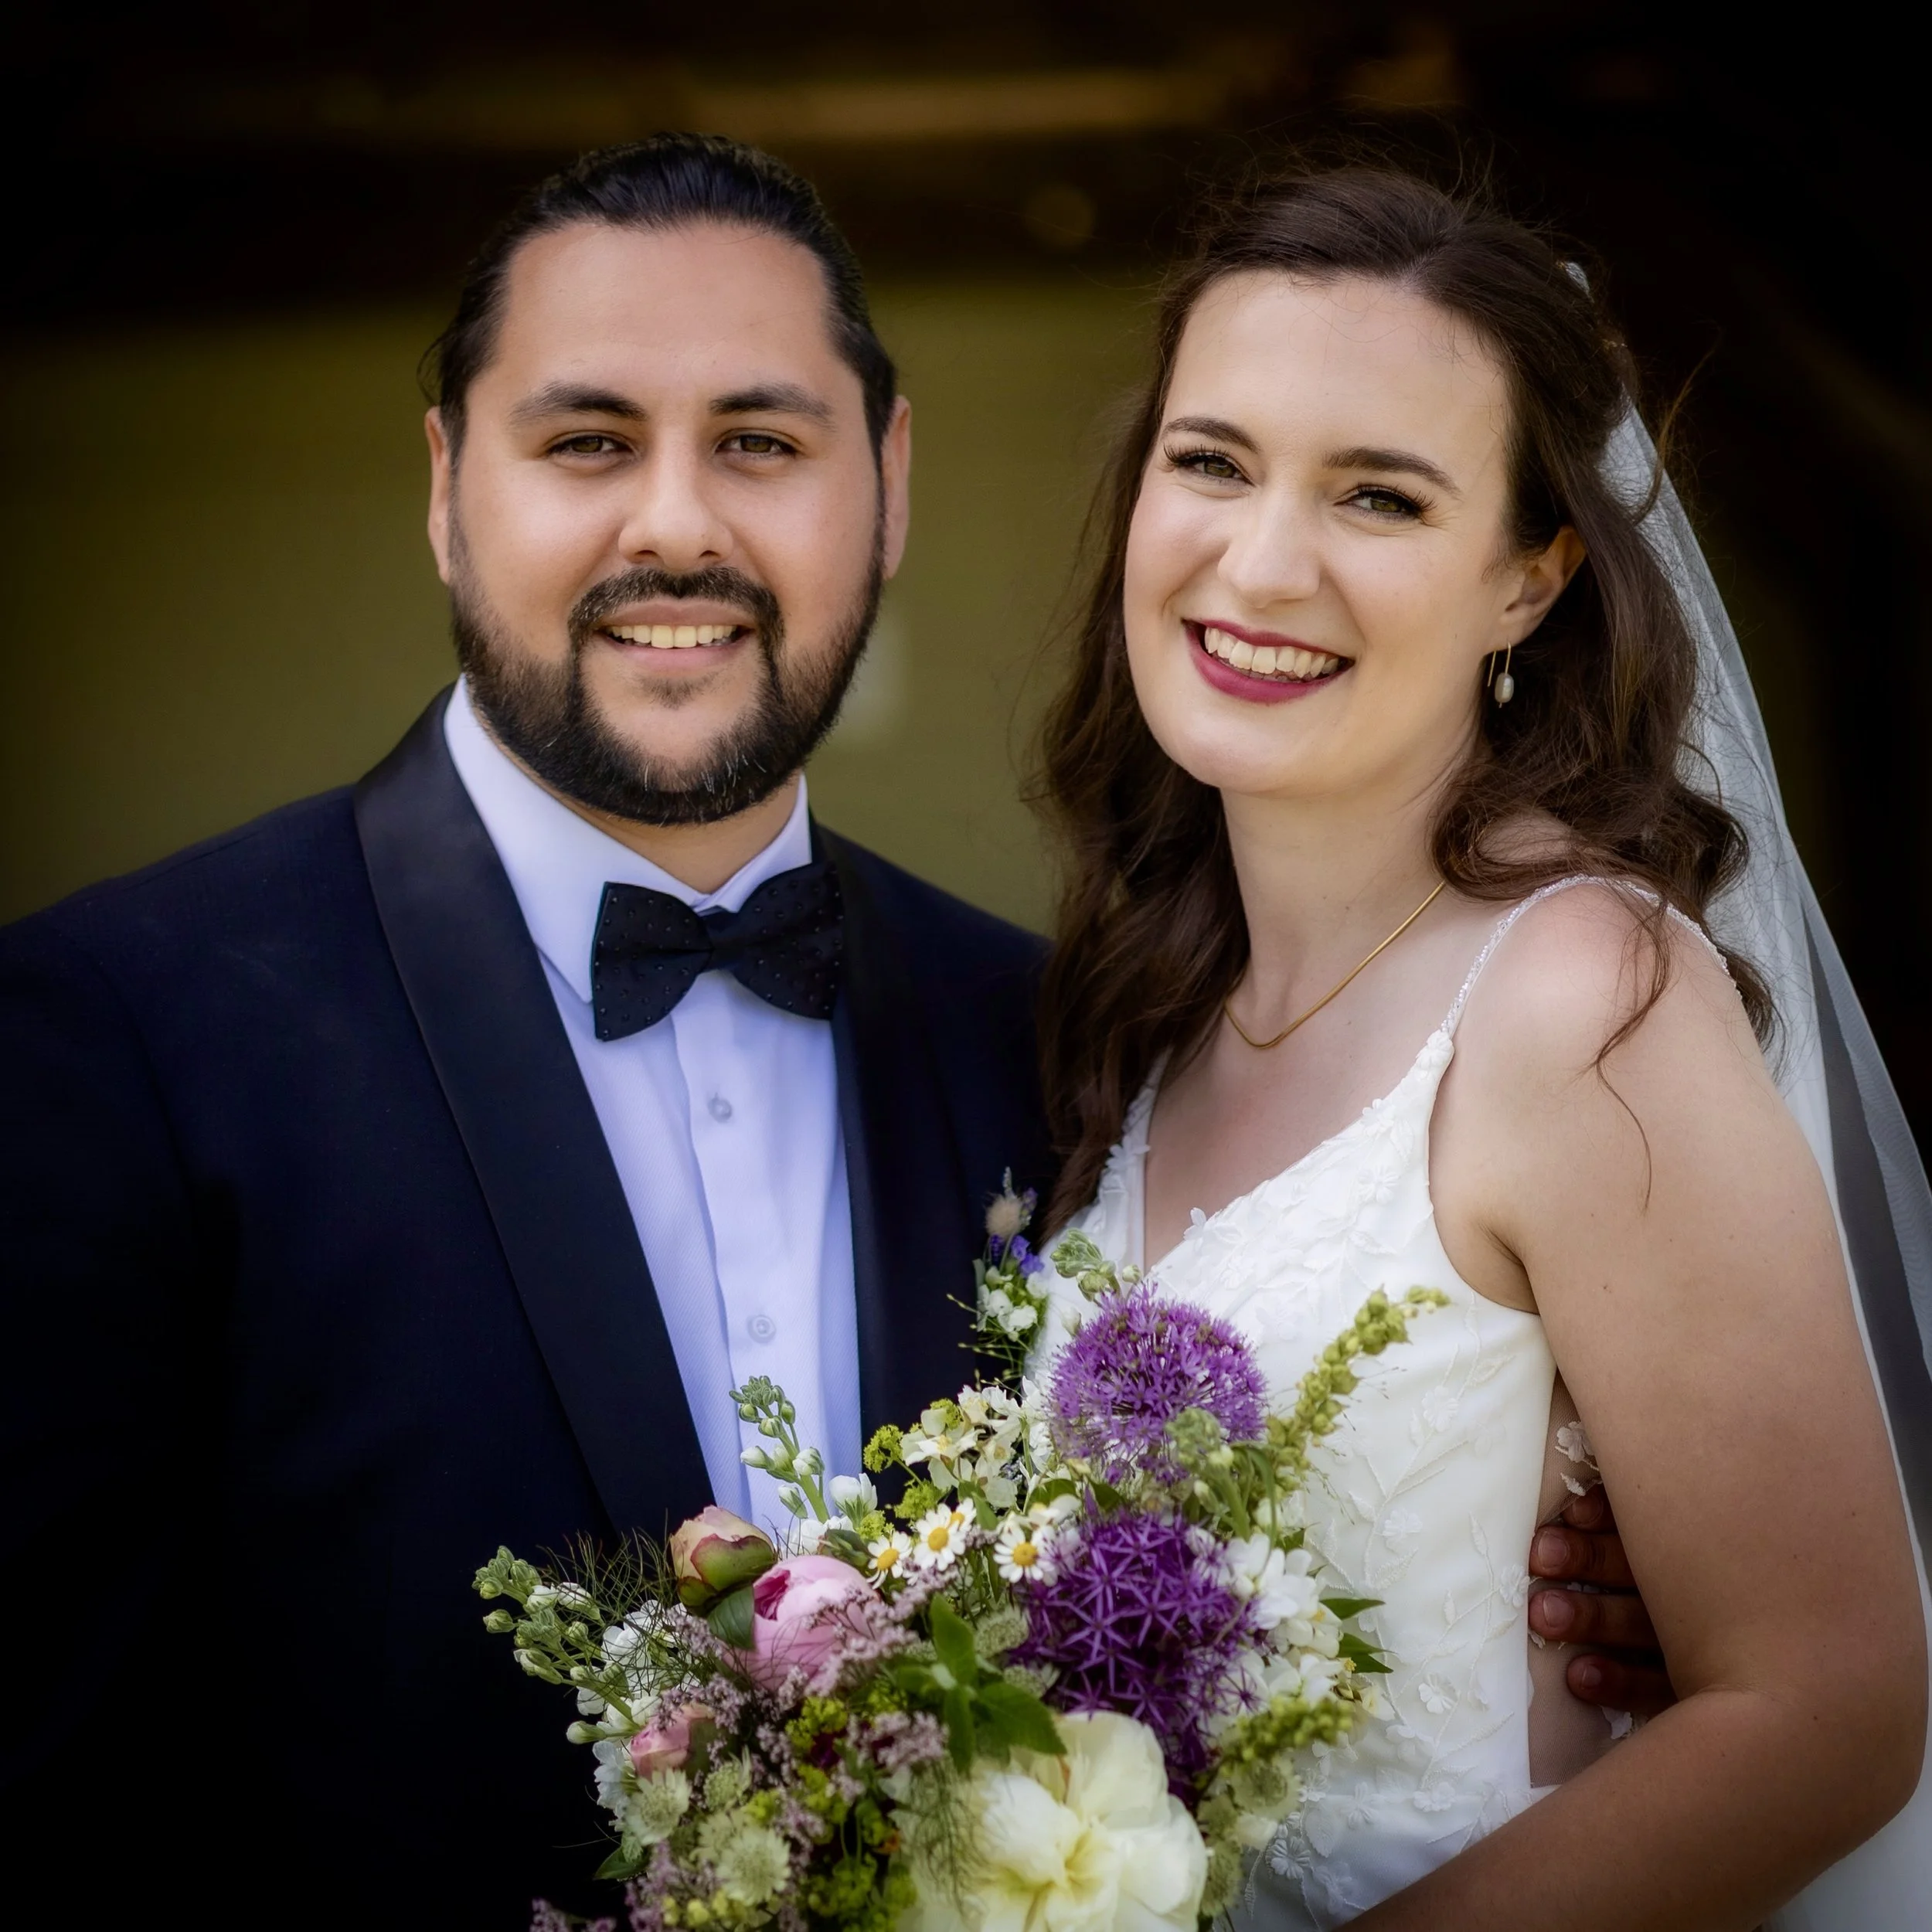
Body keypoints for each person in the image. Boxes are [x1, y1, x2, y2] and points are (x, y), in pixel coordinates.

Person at [0, 137, 1658, 1923]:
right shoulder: (109, 1036)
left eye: (760, 442)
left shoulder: (1062, 1037)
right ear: (441, 487)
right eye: (583, 442)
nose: (675, 525)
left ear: (886, 479)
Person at [1036, 166, 1930, 1929]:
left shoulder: (1577, 1000)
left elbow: (1826, 1710)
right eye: (1209, 460)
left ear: (1524, 578)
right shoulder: (1155, 1011)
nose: (1260, 559)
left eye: (1376, 493)